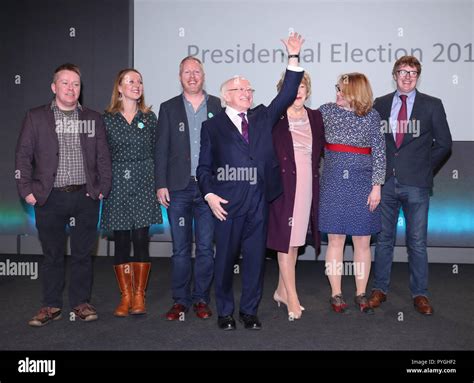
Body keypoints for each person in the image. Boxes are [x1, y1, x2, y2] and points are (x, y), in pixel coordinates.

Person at [197, 32, 305, 331]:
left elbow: (287, 93)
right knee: (224, 262)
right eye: (239, 88)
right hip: (227, 204)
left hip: (259, 202)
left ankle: (249, 312)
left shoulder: (261, 117)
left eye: (249, 88)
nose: (246, 91)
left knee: (256, 261)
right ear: (226, 96)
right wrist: (208, 195)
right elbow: (204, 167)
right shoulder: (212, 126)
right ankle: (225, 313)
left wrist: (293, 57)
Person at [15, 63, 112, 326]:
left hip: (86, 197)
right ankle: (51, 305)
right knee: (53, 255)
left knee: (83, 255)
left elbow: (103, 157)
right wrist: (27, 191)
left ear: (81, 89)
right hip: (49, 198)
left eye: (76, 84)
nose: (71, 88)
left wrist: (103, 188)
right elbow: (23, 156)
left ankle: (81, 303)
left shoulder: (92, 118)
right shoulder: (36, 117)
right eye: (65, 83)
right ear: (54, 87)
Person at [368, 56, 452, 315]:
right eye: (403, 72)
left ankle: (420, 294)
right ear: (394, 74)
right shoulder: (379, 104)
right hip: (386, 183)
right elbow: (374, 143)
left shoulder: (432, 105)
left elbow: (445, 144)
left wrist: (425, 168)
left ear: (418, 76)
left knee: (417, 241)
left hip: (417, 184)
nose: (407, 76)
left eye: (413, 72)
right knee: (383, 240)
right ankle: (379, 289)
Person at [155, 56, 222, 321]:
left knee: (206, 248)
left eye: (196, 71)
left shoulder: (217, 105)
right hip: (178, 189)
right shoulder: (168, 108)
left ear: (203, 75)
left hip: (209, 191)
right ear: (179, 76)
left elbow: (225, 148)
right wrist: (160, 183)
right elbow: (161, 149)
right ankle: (180, 300)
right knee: (180, 249)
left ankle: (201, 299)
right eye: (186, 72)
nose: (192, 76)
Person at [319, 73, 385, 314]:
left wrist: (377, 185)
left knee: (363, 241)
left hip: (363, 185)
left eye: (342, 89)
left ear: (356, 92)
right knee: (335, 240)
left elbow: (379, 152)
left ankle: (360, 293)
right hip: (333, 182)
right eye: (337, 88)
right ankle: (336, 294)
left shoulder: (372, 116)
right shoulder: (325, 111)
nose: (337, 92)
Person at [101, 68, 162, 317]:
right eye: (130, 81)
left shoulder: (150, 117)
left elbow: (158, 152)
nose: (136, 85)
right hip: (118, 185)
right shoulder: (106, 119)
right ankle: (125, 296)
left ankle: (139, 295)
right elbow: (101, 156)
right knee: (122, 243)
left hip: (144, 183)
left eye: (139, 81)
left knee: (140, 240)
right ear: (119, 87)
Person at [267, 71, 325, 320]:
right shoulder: (274, 117)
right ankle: (292, 296)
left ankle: (280, 290)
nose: (299, 91)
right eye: (294, 87)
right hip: (283, 187)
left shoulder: (316, 117)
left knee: (294, 242)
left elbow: (319, 152)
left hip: (307, 186)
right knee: (284, 240)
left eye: (303, 86)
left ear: (308, 90)